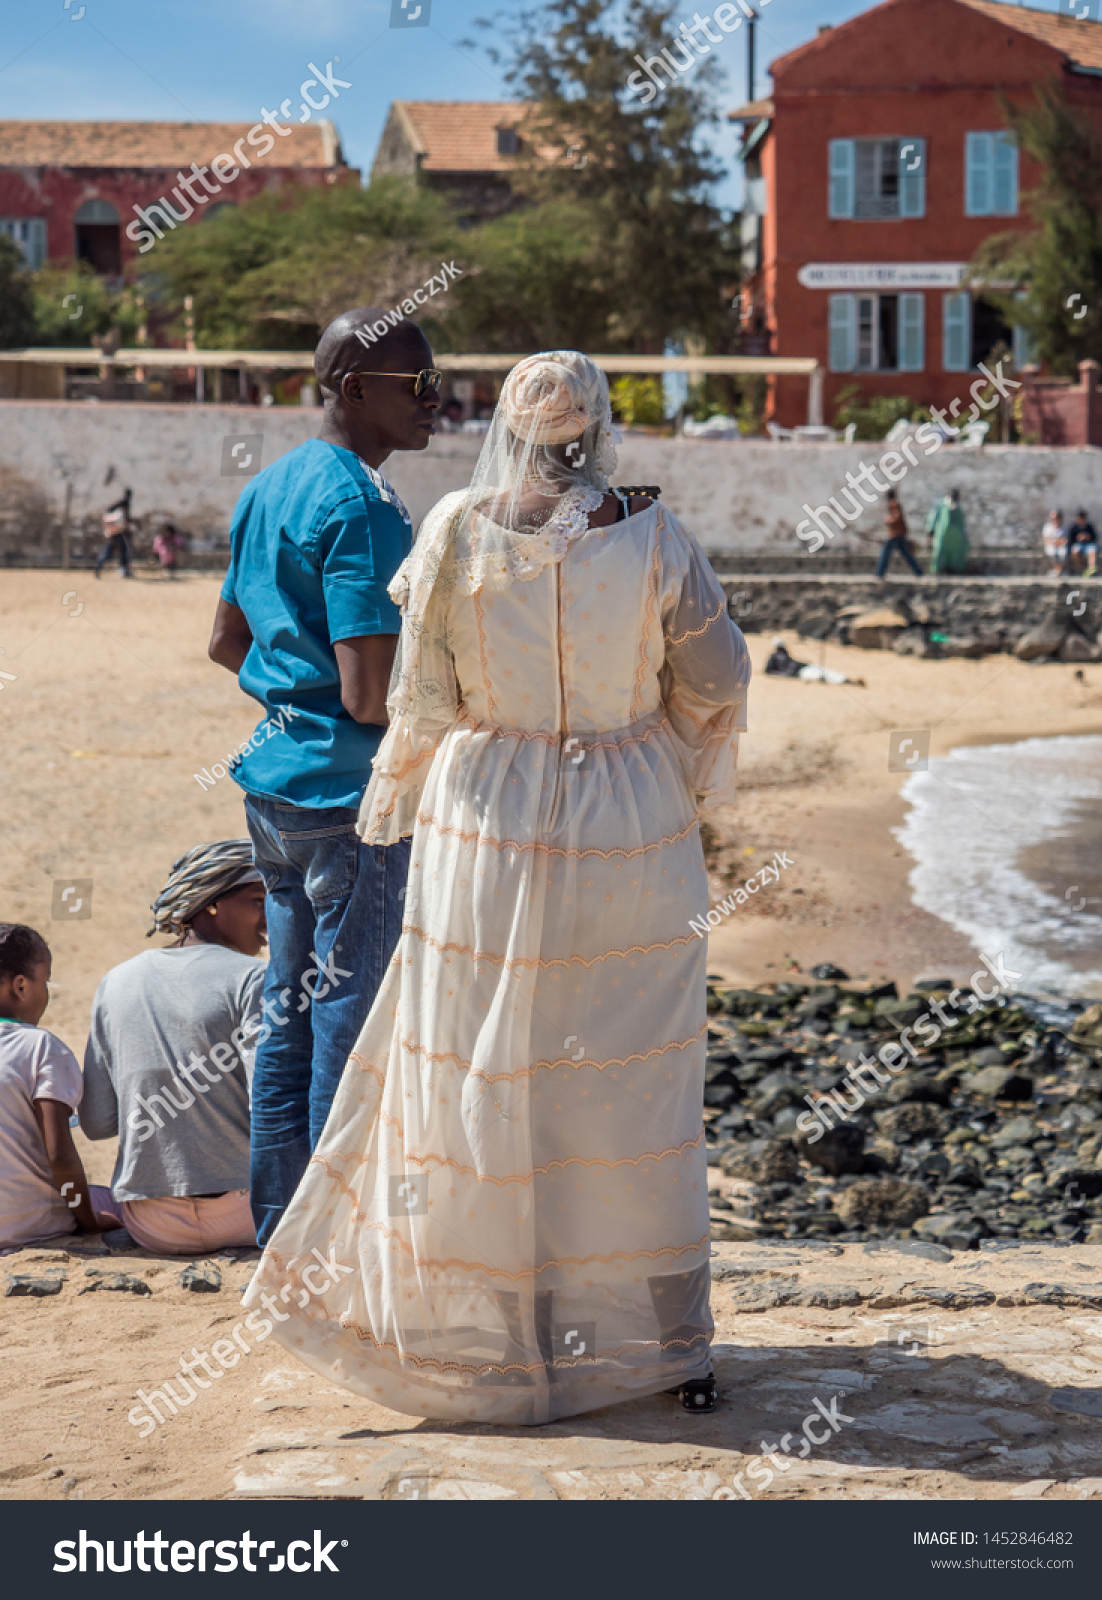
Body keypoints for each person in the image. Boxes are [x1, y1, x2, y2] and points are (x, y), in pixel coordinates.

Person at [243, 349, 752, 1425]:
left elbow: (419, 695)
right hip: (626, 825)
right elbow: (718, 680)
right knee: (628, 1085)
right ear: (599, 427)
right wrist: (643, 741)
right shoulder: (656, 537)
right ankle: (662, 1345)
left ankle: (481, 1339)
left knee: (480, 1070)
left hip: (489, 825)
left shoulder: (454, 533)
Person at [207, 307, 439, 1246]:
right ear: (354, 390)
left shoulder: (269, 486)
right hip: (354, 802)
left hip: (273, 793)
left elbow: (226, 643)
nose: (438, 401)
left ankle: (281, 1236)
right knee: (350, 1015)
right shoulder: (364, 508)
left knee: (288, 1012)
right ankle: (340, 1246)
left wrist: (289, 701)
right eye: (416, 384)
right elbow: (371, 693)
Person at [78, 841, 265, 1255]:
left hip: (153, 1224)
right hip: (251, 1215)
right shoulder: (254, 977)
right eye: (258, 901)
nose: (271, 918)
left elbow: (96, 1122)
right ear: (211, 904)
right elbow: (267, 1103)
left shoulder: (117, 980)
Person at [0, 924, 119, 1253]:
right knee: (122, 1202)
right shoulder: (40, 1047)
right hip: (26, 1225)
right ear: (21, 986)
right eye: (45, 980)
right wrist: (88, 1221)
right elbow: (59, 1155)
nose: (47, 992)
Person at [764, 636, 862, 686]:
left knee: (826, 671)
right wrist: (785, 674)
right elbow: (768, 671)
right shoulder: (774, 657)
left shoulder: (785, 654)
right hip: (800, 672)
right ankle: (846, 681)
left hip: (805, 667)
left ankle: (848, 679)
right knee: (820, 676)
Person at [875, 489, 922, 578]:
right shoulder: (895, 504)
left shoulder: (894, 504)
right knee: (907, 555)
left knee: (886, 553)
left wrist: (888, 521)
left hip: (895, 534)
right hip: (898, 534)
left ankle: (879, 573)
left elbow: (897, 517)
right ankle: (918, 572)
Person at [94, 487, 134, 579]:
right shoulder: (123, 504)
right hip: (118, 533)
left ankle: (99, 567)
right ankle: (123, 570)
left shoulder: (118, 505)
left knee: (110, 552)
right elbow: (124, 519)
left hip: (112, 534)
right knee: (123, 551)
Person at [927, 488, 968, 574]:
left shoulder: (957, 508)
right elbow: (934, 517)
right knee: (941, 552)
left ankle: (953, 569)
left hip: (955, 537)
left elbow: (961, 524)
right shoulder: (943, 505)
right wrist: (931, 529)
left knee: (954, 553)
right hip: (943, 534)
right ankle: (939, 569)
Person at [1067, 508, 1098, 576]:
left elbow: (1095, 538)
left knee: (1092, 549)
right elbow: (1070, 539)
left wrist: (1088, 537)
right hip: (1078, 544)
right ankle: (1082, 569)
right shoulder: (1074, 527)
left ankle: (1091, 568)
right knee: (1075, 551)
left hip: (1088, 544)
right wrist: (1078, 538)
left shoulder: (1089, 527)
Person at [1042, 509, 1068, 577]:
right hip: (1051, 545)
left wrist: (1058, 542)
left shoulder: (1064, 527)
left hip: (1061, 546)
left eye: (1056, 518)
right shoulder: (1047, 527)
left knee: (1063, 552)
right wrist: (1055, 542)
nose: (1054, 519)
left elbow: (1065, 540)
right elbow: (1046, 539)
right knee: (1052, 552)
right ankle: (1058, 571)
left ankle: (1057, 571)